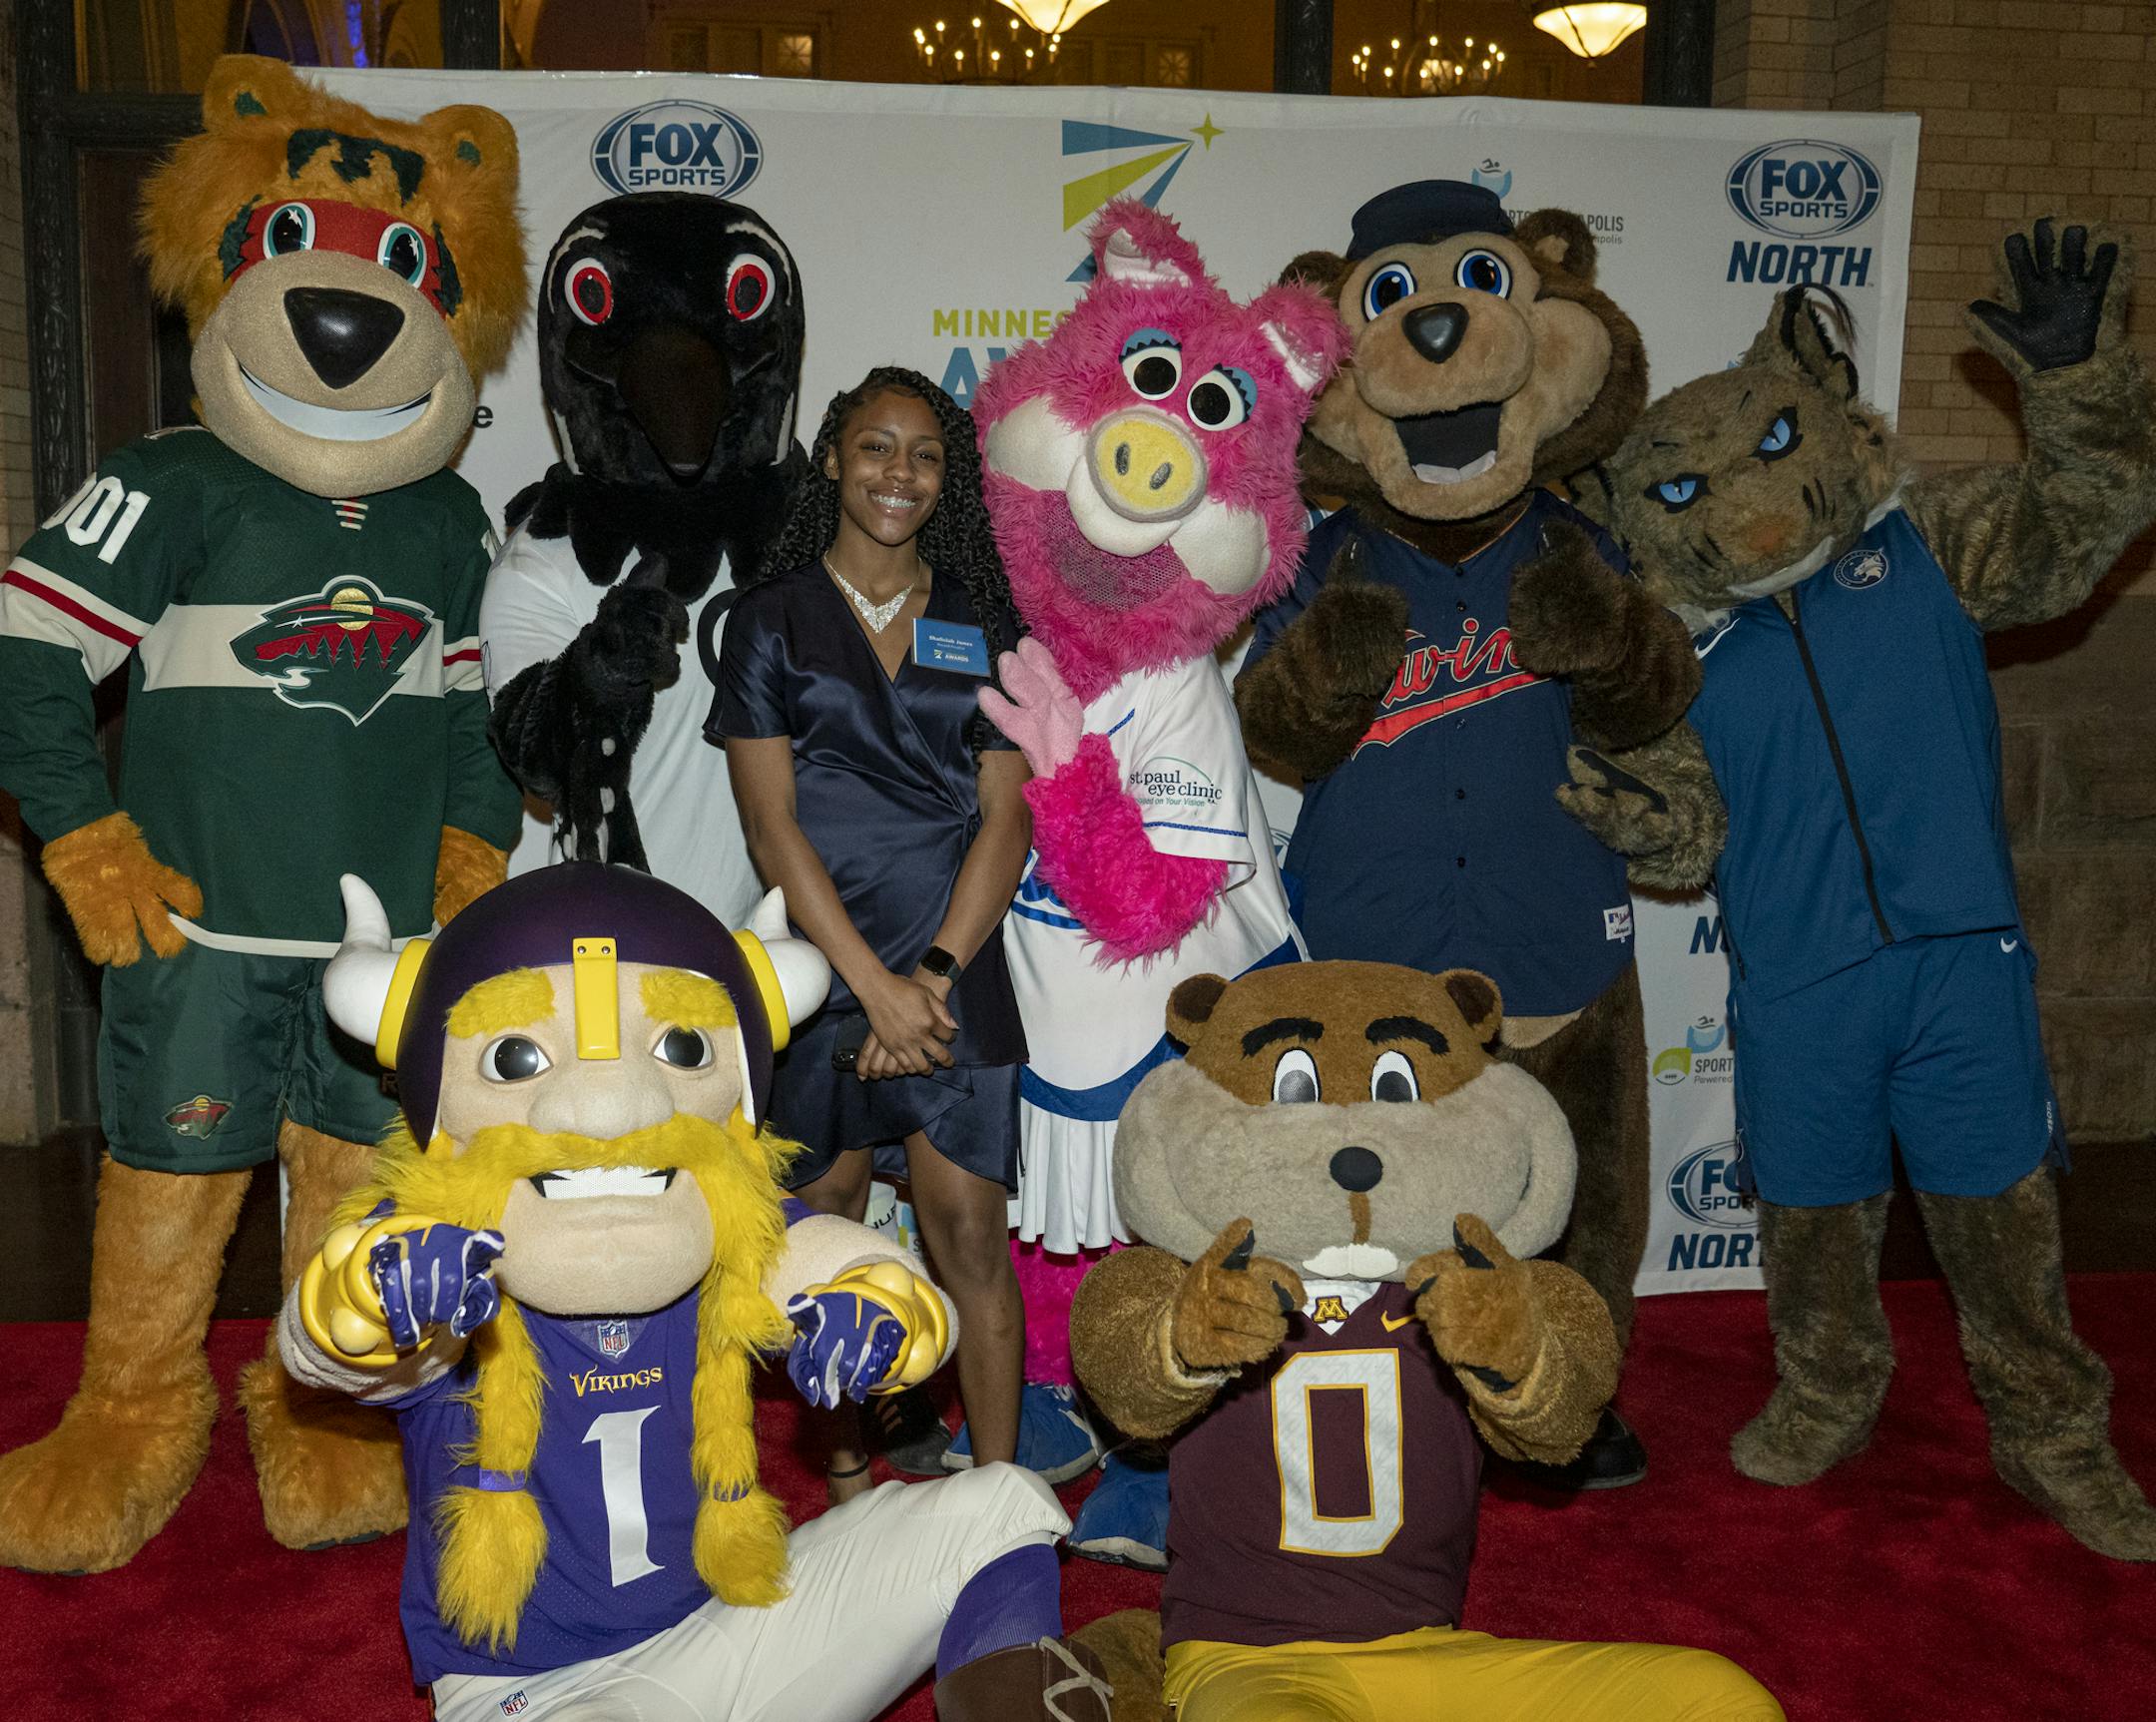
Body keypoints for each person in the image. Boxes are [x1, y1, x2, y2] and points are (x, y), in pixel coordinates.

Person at [715, 367, 1031, 1500]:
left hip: (956, 969)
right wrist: (873, 989)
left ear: (946, 480)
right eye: (873, 449)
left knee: (971, 1243)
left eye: (923, 456)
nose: (896, 474)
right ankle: (848, 1488)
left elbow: (1009, 815)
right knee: (828, 1243)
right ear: (835, 461)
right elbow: (770, 826)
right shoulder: (768, 619)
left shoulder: (979, 619)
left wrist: (933, 975)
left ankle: (997, 1507)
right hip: (820, 977)